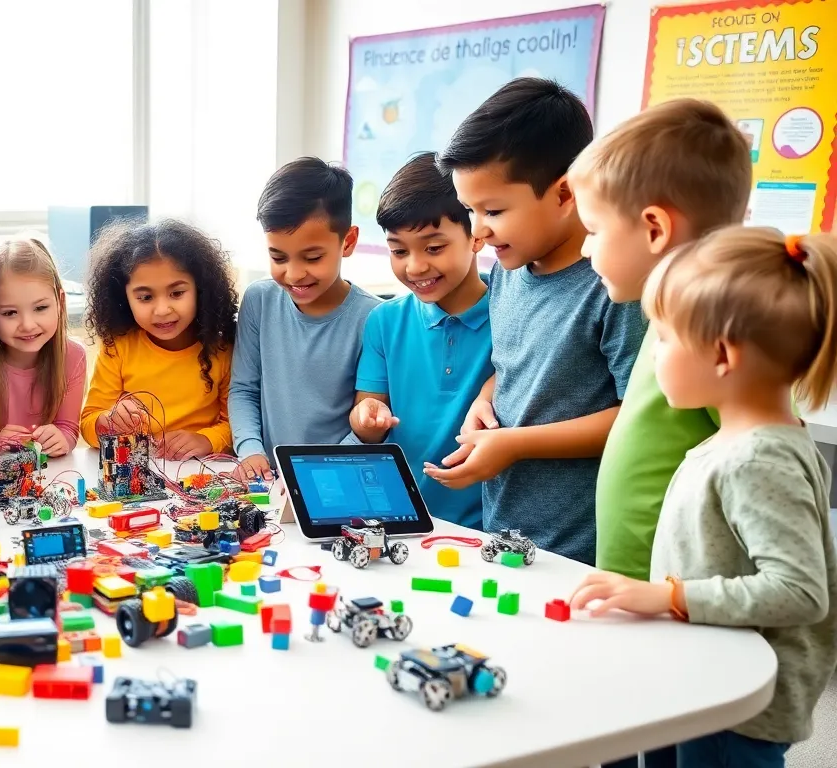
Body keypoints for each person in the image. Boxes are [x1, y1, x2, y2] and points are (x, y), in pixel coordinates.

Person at [571, 228, 837, 768]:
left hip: (734, 707)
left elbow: (799, 591)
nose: (655, 354)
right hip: (704, 678)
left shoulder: (759, 458)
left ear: (721, 355)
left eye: (664, 338)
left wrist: (669, 597)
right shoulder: (736, 441)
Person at [426, 78, 646, 565]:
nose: (478, 230)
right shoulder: (507, 274)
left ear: (566, 192)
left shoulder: (613, 284)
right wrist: (485, 400)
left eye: (494, 210)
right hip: (506, 529)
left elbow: (637, 416)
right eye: (469, 210)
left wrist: (515, 445)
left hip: (579, 546)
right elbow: (514, 366)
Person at [347, 153, 492, 529]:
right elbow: (366, 414)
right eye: (398, 250)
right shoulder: (384, 320)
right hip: (398, 518)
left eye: (433, 247)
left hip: (485, 525)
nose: (414, 267)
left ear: (475, 236)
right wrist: (367, 420)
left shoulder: (509, 312)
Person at [231, 157, 382, 480]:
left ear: (349, 242)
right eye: (278, 257)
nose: (294, 274)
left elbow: (368, 421)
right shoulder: (259, 300)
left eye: (312, 258)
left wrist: (321, 476)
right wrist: (250, 450)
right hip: (269, 481)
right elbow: (244, 389)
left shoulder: (374, 318)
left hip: (336, 480)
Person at [80, 219, 237, 459]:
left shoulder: (223, 349)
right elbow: (89, 425)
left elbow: (236, 423)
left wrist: (207, 440)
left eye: (176, 293)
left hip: (198, 470)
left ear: (201, 290)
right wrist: (108, 421)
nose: (162, 309)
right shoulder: (118, 347)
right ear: (123, 298)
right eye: (145, 297)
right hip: (135, 471)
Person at [0, 236, 86, 458]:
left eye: (40, 308)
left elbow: (68, 429)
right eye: (10, 313)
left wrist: (61, 439)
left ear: (60, 302)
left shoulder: (73, 357)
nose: (28, 325)